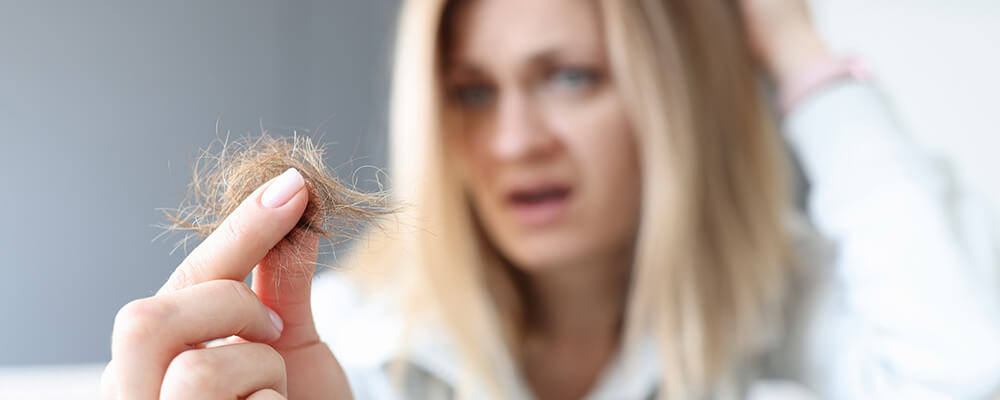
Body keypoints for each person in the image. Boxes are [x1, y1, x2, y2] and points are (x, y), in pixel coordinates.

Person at [101, 0, 1000, 399]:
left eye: (569, 77)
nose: (515, 140)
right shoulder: (342, 354)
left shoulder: (767, 305)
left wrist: (800, 52)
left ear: (671, 100)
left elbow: (965, 375)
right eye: (474, 92)